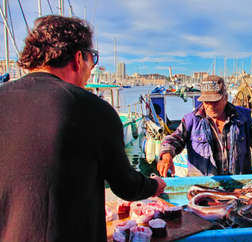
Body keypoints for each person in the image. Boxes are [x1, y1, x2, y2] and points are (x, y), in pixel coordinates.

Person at [0, 15, 166, 242]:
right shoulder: (94, 110)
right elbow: (125, 186)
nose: (91, 69)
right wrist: (154, 185)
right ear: (79, 58)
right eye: (93, 58)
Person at [158, 75, 252, 179]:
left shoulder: (243, 117)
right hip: (204, 188)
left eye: (215, 102)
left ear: (225, 98)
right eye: (207, 102)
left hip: (240, 186)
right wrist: (167, 156)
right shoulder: (191, 120)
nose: (211, 107)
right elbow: (174, 140)